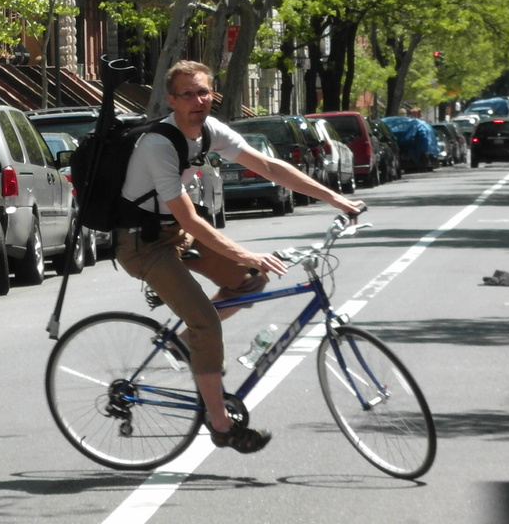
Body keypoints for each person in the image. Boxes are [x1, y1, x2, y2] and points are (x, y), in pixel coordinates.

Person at [115, 60, 364, 453]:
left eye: (203, 92)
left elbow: (266, 164)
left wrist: (335, 198)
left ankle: (183, 344)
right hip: (142, 244)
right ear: (171, 100)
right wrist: (249, 252)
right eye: (187, 94)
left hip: (174, 236)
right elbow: (191, 219)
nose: (198, 100)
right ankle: (220, 426)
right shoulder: (158, 145)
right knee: (208, 324)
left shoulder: (208, 130)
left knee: (249, 280)